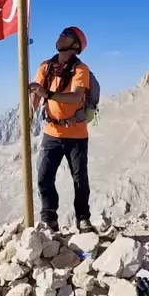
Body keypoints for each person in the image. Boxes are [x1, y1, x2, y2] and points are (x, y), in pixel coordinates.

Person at [28, 26, 94, 233]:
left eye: (65, 36)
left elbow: (76, 97)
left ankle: (83, 219)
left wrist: (47, 94)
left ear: (75, 45)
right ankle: (49, 219)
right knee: (44, 176)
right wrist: (30, 112)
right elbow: (36, 95)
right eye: (60, 34)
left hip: (76, 133)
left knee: (79, 179)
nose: (59, 38)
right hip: (52, 132)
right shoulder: (45, 67)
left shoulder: (80, 69)